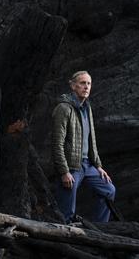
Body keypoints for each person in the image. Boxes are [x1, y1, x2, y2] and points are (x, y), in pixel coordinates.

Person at [51, 70, 116, 223]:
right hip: (72, 167)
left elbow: (91, 140)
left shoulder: (87, 107)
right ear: (73, 86)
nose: (86, 87)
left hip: (88, 165)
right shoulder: (63, 108)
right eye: (82, 83)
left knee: (108, 190)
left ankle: (99, 228)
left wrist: (98, 166)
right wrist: (64, 171)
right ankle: (63, 237)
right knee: (66, 212)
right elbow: (57, 143)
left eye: (88, 83)